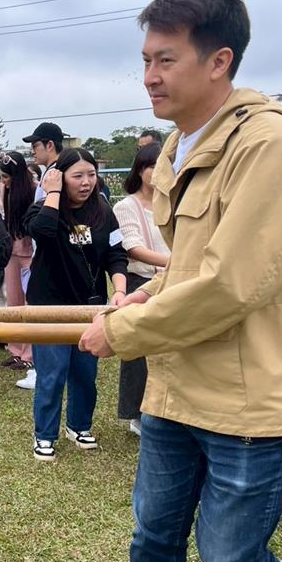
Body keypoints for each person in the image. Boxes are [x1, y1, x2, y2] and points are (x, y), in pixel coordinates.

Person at [77, 0, 282, 562]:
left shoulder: (269, 145)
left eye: (166, 59)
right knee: (153, 534)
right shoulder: (181, 145)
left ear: (220, 61)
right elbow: (192, 266)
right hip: (178, 383)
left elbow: (232, 282)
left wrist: (121, 330)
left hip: (255, 395)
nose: (150, 76)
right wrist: (145, 295)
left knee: (229, 557)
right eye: (145, 60)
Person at [26, 148, 127, 459]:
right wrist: (53, 193)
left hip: (88, 307)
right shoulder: (43, 209)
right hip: (49, 307)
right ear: (60, 177)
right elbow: (42, 233)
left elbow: (116, 253)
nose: (86, 182)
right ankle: (44, 434)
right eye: (77, 176)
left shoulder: (103, 211)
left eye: (91, 175)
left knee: (85, 372)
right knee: (52, 373)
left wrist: (120, 290)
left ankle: (79, 425)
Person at [112, 143, 170, 435]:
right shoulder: (126, 206)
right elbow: (132, 248)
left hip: (173, 282)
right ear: (139, 170)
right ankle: (136, 413)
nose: (157, 172)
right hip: (142, 282)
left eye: (163, 166)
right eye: (151, 166)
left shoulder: (174, 202)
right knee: (138, 352)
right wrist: (176, 262)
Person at [0, 151, 34, 369]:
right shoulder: (5, 191)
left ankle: (29, 355)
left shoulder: (33, 190)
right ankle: (15, 349)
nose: (3, 181)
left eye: (5, 177)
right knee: (13, 302)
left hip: (30, 254)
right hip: (12, 252)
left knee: (29, 305)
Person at [22, 121, 64, 201]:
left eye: (35, 146)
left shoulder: (53, 175)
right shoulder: (56, 170)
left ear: (50, 145)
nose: (32, 152)